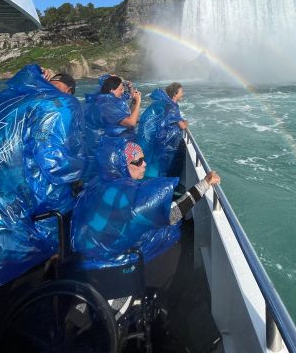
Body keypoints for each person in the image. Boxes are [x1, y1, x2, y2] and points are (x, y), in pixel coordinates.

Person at [0, 65, 87, 346]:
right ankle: (45, 320)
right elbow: (54, 165)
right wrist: (82, 168)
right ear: (68, 90)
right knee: (54, 247)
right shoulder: (58, 105)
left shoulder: (6, 99)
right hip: (20, 211)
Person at [71, 139, 220, 289]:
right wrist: (204, 184)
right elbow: (173, 214)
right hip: (105, 263)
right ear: (122, 165)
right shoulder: (126, 196)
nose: (144, 164)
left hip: (85, 252)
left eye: (144, 159)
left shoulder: (101, 182)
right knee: (172, 238)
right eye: (138, 161)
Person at [83, 75, 142, 179]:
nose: (123, 92)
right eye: (121, 89)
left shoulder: (110, 100)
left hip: (114, 146)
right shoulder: (106, 104)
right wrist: (138, 102)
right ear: (111, 90)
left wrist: (132, 94)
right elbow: (131, 122)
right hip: (110, 149)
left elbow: (126, 116)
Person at [137, 82, 188, 178]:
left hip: (159, 136)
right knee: (165, 162)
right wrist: (186, 122)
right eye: (181, 92)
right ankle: (162, 179)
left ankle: (152, 175)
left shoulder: (165, 104)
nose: (183, 94)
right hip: (166, 140)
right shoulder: (173, 106)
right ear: (175, 94)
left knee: (156, 159)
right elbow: (182, 126)